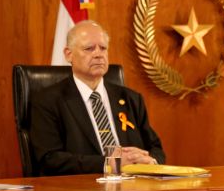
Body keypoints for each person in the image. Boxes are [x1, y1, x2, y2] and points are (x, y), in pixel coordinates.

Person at [31, 20, 165, 175]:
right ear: (69, 55)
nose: (98, 54)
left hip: (135, 186)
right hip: (82, 189)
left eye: (103, 48)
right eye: (89, 49)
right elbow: (50, 159)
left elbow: (156, 148)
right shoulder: (49, 101)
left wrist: (151, 161)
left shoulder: (130, 99)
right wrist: (109, 164)